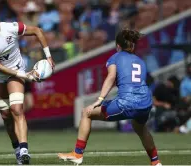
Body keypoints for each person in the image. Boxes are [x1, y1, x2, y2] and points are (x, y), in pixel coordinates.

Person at [57, 29, 162, 166]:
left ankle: (77, 154)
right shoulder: (140, 61)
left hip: (127, 102)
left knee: (86, 113)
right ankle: (156, 161)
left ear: (118, 46)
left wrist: (99, 100)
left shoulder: (115, 57)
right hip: (146, 102)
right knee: (140, 128)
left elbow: (111, 77)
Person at [0, 2, 55, 165]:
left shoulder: (11, 27)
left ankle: (24, 150)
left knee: (17, 109)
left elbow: (38, 31)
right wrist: (25, 75)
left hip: (17, 70)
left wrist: (48, 56)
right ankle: (17, 149)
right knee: (5, 116)